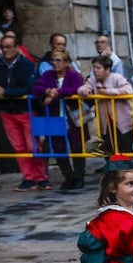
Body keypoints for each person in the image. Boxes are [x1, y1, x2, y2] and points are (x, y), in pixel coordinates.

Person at [0, 32, 48, 192]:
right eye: (2, 47)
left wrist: (6, 92)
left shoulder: (27, 65)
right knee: (19, 147)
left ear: (16, 48)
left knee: (32, 146)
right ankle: (28, 177)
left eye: (8, 47)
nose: (5, 50)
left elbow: (29, 87)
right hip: (7, 111)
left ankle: (41, 177)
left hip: (25, 110)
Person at [33, 47, 86, 190]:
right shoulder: (48, 75)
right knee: (58, 148)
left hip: (72, 116)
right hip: (55, 116)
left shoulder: (74, 75)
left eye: (58, 60)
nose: (55, 63)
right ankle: (69, 177)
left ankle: (79, 177)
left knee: (77, 147)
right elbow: (36, 88)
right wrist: (47, 91)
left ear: (67, 62)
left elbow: (75, 89)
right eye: (53, 60)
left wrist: (57, 93)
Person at [78, 54, 133, 154]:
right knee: (109, 149)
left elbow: (128, 90)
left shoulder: (117, 78)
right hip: (105, 123)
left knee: (125, 150)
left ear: (107, 69)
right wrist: (85, 91)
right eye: (94, 68)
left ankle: (126, 168)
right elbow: (81, 88)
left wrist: (108, 92)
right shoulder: (93, 80)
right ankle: (111, 168)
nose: (95, 70)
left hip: (123, 122)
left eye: (98, 68)